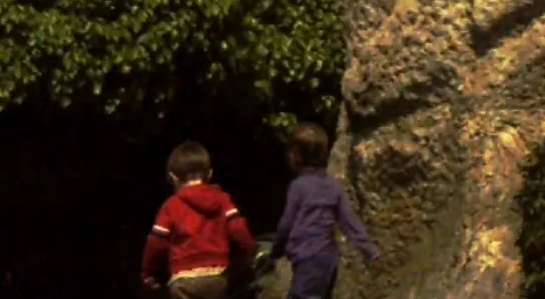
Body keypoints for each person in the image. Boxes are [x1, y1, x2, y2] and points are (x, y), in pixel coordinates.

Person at [271, 121, 379, 299]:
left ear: (296, 155)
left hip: (307, 258)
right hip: (329, 258)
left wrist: (276, 250)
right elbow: (349, 220)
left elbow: (286, 223)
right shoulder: (333, 187)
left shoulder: (298, 187)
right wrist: (368, 248)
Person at [141, 140, 256, 298]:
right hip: (218, 277)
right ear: (209, 174)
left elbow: (156, 244)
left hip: (183, 282)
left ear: (172, 178)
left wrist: (148, 273)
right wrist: (252, 253)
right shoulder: (222, 199)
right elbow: (237, 229)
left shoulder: (171, 206)